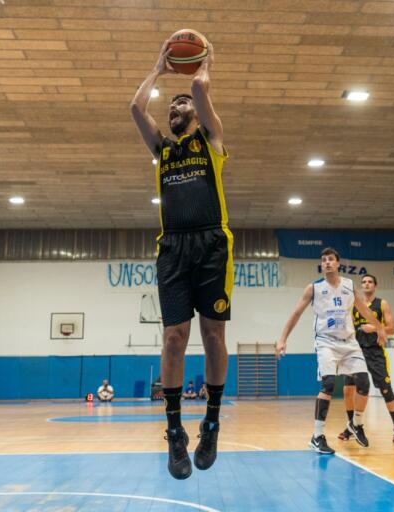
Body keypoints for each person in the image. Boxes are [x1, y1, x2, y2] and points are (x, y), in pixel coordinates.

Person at [131, 38, 231, 479]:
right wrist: (157, 68)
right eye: (170, 106)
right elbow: (136, 109)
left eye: (180, 104)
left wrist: (202, 63)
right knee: (174, 338)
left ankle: (210, 421)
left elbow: (202, 88)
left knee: (212, 335)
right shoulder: (162, 152)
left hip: (212, 245)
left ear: (194, 114)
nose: (174, 108)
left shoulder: (211, 143)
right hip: (172, 247)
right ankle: (174, 430)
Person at [276, 248, 387, 455]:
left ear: (338, 264)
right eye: (324, 260)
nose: (327, 263)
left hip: (349, 341)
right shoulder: (314, 288)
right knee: (328, 383)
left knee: (364, 381)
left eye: (330, 260)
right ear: (322, 265)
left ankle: (356, 423)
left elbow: (363, 308)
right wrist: (283, 339)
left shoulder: (349, 285)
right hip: (326, 342)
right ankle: (317, 436)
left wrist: (380, 328)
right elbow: (296, 313)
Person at [338, 275, 394, 443]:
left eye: (370, 282)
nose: (366, 284)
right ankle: (352, 426)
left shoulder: (382, 304)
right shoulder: (354, 305)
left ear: (375, 286)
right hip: (356, 352)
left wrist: (375, 327)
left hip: (375, 352)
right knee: (348, 390)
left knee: (385, 389)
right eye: (364, 282)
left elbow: (391, 329)